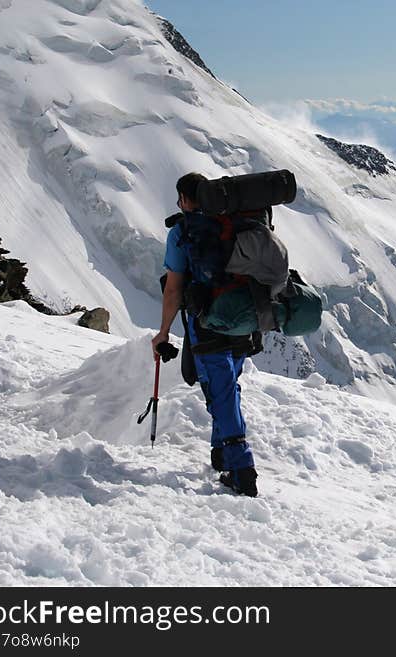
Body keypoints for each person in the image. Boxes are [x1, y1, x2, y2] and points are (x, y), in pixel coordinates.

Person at [151, 172, 259, 496]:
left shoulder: (183, 231)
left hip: (208, 320)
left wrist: (163, 332)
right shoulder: (237, 221)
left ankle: (242, 468)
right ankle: (221, 453)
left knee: (220, 388)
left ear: (184, 199)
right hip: (246, 318)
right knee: (228, 385)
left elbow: (173, 288)